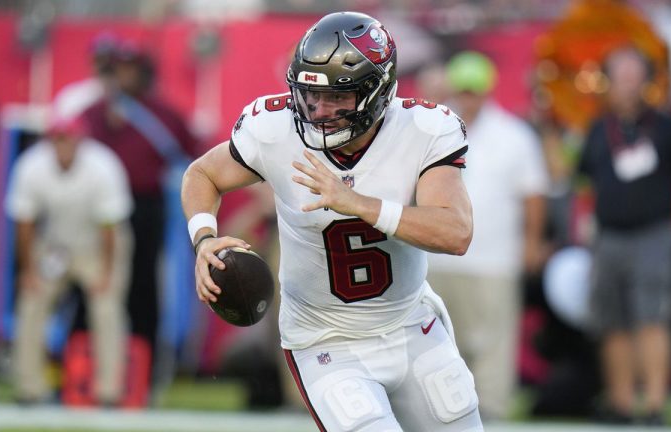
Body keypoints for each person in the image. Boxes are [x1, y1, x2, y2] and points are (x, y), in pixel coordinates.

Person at [183, 12, 483, 431]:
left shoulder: (423, 129)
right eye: (309, 95)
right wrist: (203, 238)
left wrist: (360, 203)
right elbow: (202, 174)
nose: (319, 110)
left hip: (410, 324)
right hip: (324, 339)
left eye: (337, 98)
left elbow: (455, 232)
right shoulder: (275, 128)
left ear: (377, 92)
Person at [578, 45, 671, 425]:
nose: (627, 84)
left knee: (652, 318)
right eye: (619, 75)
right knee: (611, 322)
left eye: (633, 75)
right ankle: (622, 403)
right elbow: (584, 181)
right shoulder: (599, 129)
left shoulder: (668, 127)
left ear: (647, 81)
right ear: (608, 83)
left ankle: (655, 406)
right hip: (609, 237)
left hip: (655, 234)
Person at [427, 51, 549, 421]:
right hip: (436, 254)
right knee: (438, 342)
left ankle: (492, 410)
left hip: (495, 257)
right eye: (462, 89)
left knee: (494, 341)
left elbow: (533, 194)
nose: (467, 97)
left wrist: (530, 243)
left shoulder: (513, 134)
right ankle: (439, 411)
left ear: (486, 91)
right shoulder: (429, 126)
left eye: (474, 90)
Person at [82, 42, 196, 365]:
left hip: (146, 206)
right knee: (97, 284)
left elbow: (193, 159)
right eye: (119, 68)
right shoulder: (95, 113)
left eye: (130, 68)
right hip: (102, 209)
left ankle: (145, 366)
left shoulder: (165, 115)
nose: (124, 75)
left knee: (145, 284)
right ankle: (87, 363)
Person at [6, 117, 133, 406]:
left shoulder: (103, 166)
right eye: (58, 139)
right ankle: (29, 388)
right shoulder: (31, 166)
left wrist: (106, 274)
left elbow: (110, 228)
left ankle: (108, 391)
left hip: (98, 245)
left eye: (68, 138)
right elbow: (24, 225)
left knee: (106, 308)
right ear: (49, 141)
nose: (63, 145)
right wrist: (27, 271)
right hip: (55, 244)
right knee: (32, 302)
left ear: (80, 140)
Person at [53, 32, 119, 122]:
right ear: (90, 61)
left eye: (111, 60)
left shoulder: (133, 100)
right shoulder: (72, 98)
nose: (105, 66)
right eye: (100, 60)